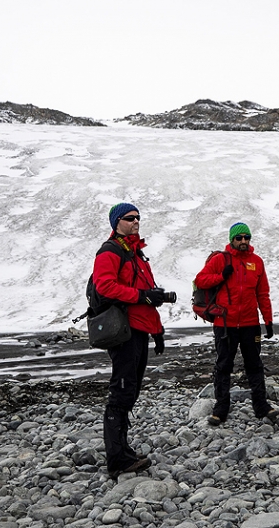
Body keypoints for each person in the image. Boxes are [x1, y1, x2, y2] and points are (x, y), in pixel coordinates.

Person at [92, 202, 171, 477]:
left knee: (131, 391)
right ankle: (116, 460)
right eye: (129, 218)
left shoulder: (137, 255)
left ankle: (123, 451)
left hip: (139, 329)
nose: (136, 221)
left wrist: (157, 330)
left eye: (138, 217)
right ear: (116, 222)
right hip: (123, 331)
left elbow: (147, 298)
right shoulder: (110, 251)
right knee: (122, 391)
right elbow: (105, 286)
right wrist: (141, 296)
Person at [194, 222, 279, 425]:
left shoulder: (257, 262)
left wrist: (268, 320)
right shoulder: (220, 260)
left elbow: (262, 293)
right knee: (223, 366)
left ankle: (261, 406)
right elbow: (200, 280)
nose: (243, 241)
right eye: (239, 238)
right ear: (232, 239)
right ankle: (221, 408)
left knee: (255, 365)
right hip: (225, 324)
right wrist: (221, 276)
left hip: (250, 323)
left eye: (246, 237)